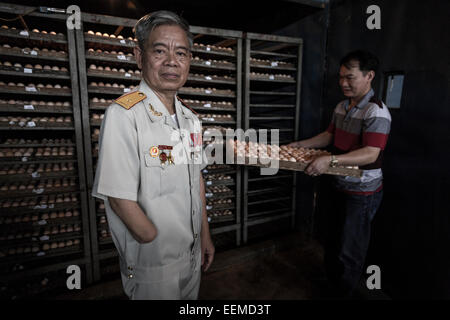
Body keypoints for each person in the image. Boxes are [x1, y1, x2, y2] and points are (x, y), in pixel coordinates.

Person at [92, 10, 215, 300]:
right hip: (154, 267)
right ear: (139, 56)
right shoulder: (124, 115)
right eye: (160, 51)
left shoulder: (190, 119)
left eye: (181, 53)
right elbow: (118, 196)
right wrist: (152, 242)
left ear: (188, 61)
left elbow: (195, 177)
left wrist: (204, 234)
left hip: (192, 255)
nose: (172, 61)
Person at [289, 50, 391, 297]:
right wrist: (301, 145)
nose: (343, 83)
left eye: (350, 77)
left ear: (369, 76)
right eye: (341, 77)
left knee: (350, 248)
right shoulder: (342, 106)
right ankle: (332, 285)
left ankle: (342, 293)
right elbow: (329, 136)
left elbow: (371, 153)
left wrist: (329, 159)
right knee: (333, 241)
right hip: (339, 184)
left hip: (363, 191)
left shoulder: (376, 112)